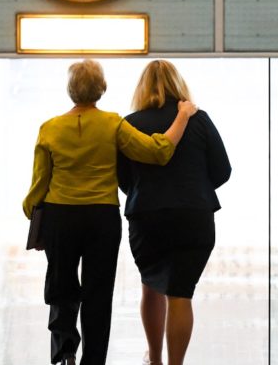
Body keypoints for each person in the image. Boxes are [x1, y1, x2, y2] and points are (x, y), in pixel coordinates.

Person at [23, 59, 199, 365]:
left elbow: (40, 184)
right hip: (101, 219)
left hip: (60, 218)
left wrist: (34, 217)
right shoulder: (114, 124)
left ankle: (64, 353)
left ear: (70, 89)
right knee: (98, 294)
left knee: (61, 288)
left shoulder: (49, 129)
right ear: (101, 89)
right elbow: (158, 152)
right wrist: (182, 116)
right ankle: (94, 360)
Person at [117, 60, 231, 365]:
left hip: (147, 216)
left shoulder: (129, 124)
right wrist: (196, 187)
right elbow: (223, 170)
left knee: (150, 284)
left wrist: (146, 190)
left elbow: (122, 178)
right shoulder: (199, 120)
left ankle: (153, 358)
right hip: (194, 215)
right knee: (181, 293)